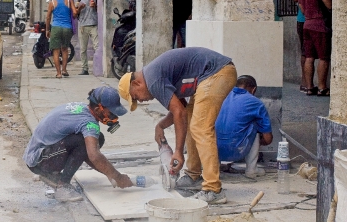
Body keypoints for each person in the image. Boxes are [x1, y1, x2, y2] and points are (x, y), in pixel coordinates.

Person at [118, 47, 237, 204]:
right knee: (192, 120)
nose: (140, 101)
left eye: (135, 96)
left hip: (217, 72)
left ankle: (213, 190)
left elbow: (178, 112)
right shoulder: (153, 77)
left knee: (200, 127)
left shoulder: (152, 80)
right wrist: (160, 126)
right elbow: (179, 109)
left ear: (136, 83)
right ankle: (193, 175)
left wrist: (178, 151)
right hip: (212, 74)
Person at [23, 86, 133, 202]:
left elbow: (86, 155)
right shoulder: (88, 122)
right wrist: (118, 177)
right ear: (97, 110)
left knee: (96, 139)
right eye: (111, 113)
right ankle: (62, 187)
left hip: (40, 155)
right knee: (83, 142)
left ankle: (51, 175)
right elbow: (94, 156)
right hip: (38, 160)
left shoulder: (81, 108)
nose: (114, 117)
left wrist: (110, 174)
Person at [215, 75, 273, 179]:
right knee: (254, 124)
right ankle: (251, 170)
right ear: (253, 89)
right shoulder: (256, 102)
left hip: (214, 150)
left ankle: (215, 168)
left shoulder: (220, 97)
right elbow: (268, 139)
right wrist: (261, 140)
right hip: (237, 150)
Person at [293, 0, 326, 93]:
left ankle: (309, 86)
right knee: (307, 53)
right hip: (305, 19)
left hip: (307, 20)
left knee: (309, 54)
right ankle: (306, 83)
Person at [298, 0, 332, 96]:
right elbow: (328, 4)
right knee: (324, 57)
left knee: (309, 57)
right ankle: (322, 88)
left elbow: (302, 9)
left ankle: (309, 87)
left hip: (307, 25)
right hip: (320, 26)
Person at [45, 0, 76, 78]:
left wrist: (47, 30)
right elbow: (74, 13)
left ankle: (58, 73)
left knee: (56, 51)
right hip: (67, 28)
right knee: (65, 49)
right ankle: (64, 70)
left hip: (56, 28)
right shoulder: (69, 0)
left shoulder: (52, 3)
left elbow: (48, 17)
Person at [74, 0, 99, 76]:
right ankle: (85, 69)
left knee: (97, 46)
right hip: (83, 25)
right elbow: (75, 14)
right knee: (83, 49)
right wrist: (80, 8)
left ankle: (97, 67)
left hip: (93, 24)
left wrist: (95, 6)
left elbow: (99, 10)